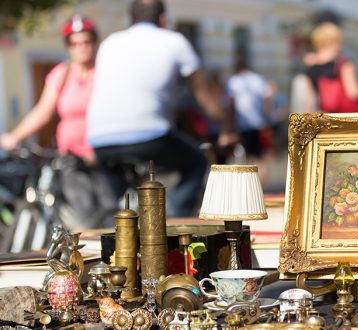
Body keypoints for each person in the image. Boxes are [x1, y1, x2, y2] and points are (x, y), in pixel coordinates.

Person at [87, 0, 236, 217]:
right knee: (197, 161)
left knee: (122, 207)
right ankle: (174, 223)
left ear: (131, 19)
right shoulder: (175, 41)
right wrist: (227, 127)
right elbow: (203, 96)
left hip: (100, 138)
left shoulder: (110, 42)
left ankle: (119, 225)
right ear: (163, 19)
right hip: (149, 134)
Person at [0, 15, 113, 228]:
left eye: (86, 42)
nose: (81, 48)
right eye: (75, 43)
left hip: (103, 159)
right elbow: (43, 111)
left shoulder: (105, 74)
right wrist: (13, 137)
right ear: (68, 47)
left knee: (111, 218)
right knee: (82, 223)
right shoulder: (61, 75)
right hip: (70, 160)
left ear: (94, 43)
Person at [305, 22, 358, 113]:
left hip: (329, 117)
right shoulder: (343, 63)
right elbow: (354, 93)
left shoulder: (311, 67)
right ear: (335, 42)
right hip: (350, 116)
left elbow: (310, 100)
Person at [226, 60, 270, 159]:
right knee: (260, 156)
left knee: (248, 156)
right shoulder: (257, 79)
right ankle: (262, 174)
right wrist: (266, 117)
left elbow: (231, 103)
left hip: (242, 124)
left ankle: (253, 174)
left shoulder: (234, 80)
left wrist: (231, 122)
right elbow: (267, 98)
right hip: (258, 123)